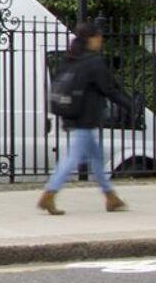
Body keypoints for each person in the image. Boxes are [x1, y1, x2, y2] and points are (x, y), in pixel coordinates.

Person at [39, 21, 140, 215]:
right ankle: (49, 194)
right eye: (99, 37)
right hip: (85, 118)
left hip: (73, 115)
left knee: (96, 158)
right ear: (91, 39)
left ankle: (111, 197)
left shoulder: (71, 59)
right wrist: (130, 106)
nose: (101, 40)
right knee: (72, 158)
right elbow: (109, 89)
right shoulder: (93, 62)